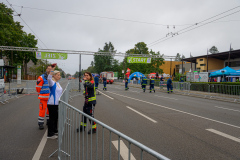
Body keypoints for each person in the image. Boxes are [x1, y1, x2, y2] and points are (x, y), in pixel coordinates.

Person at [47, 68, 62, 139]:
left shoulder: (57, 83)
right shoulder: (52, 82)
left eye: (60, 75)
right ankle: (50, 134)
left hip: (57, 103)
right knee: (52, 119)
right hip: (52, 103)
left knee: (56, 118)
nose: (60, 76)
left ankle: (55, 130)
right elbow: (49, 78)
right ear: (54, 76)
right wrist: (52, 70)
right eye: (58, 75)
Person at [36, 65, 52, 130]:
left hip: (50, 98)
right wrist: (40, 93)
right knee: (42, 110)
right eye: (48, 69)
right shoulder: (41, 77)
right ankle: (40, 123)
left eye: (51, 69)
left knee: (49, 110)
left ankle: (48, 121)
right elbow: (38, 88)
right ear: (46, 69)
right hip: (43, 98)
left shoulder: (51, 78)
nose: (49, 70)